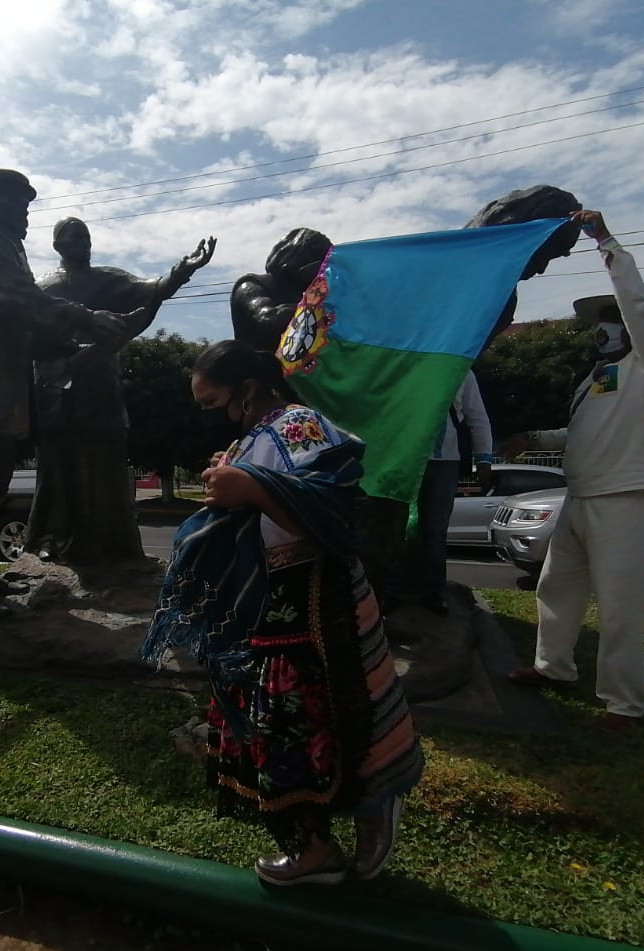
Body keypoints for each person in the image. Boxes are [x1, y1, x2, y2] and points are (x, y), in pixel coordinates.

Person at [142, 340, 424, 886]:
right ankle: (318, 839)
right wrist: (234, 481)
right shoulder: (252, 435)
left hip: (318, 600)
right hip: (271, 602)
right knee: (282, 724)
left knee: (323, 715)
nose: (209, 414)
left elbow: (336, 504)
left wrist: (250, 485)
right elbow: (267, 499)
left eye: (213, 400)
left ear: (247, 389)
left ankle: (359, 814)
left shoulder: (299, 424)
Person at [502, 210, 644, 731]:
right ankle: (552, 667)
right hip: (579, 499)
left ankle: (624, 704)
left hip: (625, 501)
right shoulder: (598, 378)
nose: (605, 325)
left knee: (622, 609)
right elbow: (578, 433)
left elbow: (639, 310)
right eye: (602, 316)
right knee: (556, 589)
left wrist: (605, 242)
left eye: (614, 315)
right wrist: (534, 439)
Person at [0, 168, 135, 617]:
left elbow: (22, 318)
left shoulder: (3, 246)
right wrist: (86, 318)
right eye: (17, 203)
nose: (25, 212)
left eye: (27, 204)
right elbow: (22, 302)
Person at [28, 217, 216, 564]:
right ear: (56, 244)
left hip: (101, 385)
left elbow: (150, 289)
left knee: (109, 463)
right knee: (58, 466)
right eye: (70, 236)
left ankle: (118, 546)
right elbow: (29, 335)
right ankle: (51, 538)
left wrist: (182, 271)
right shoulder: (42, 288)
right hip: (55, 388)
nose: (79, 241)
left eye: (84, 235)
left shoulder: (107, 278)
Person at [388, 370, 494, 616]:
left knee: (435, 530)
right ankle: (392, 591)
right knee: (398, 525)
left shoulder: (461, 368)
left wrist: (484, 459)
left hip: (445, 459)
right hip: (404, 457)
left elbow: (477, 416)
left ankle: (432, 592)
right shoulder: (405, 359)